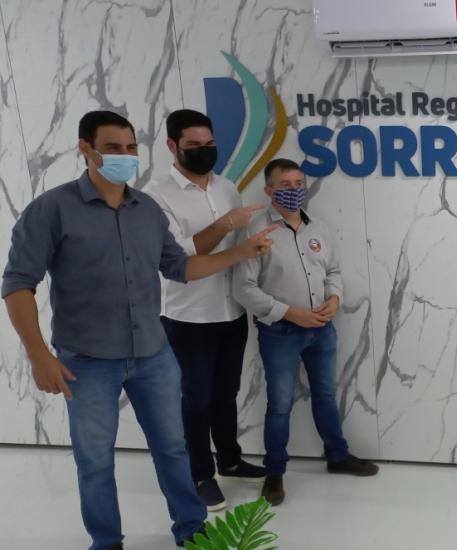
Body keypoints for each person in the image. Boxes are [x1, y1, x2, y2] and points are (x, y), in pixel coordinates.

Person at [1, 111, 276, 550]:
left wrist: (240, 252)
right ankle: (106, 541)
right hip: (86, 361)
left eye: (131, 148)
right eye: (113, 148)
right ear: (85, 149)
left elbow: (180, 267)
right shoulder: (52, 210)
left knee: (173, 449)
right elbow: (18, 283)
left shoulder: (145, 209)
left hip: (153, 354)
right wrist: (38, 356)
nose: (125, 156)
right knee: (95, 462)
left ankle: (191, 528)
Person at [233, 158, 378, 506]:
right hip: (280, 332)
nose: (295, 190)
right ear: (269, 190)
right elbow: (243, 288)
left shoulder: (319, 228)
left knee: (326, 395)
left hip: (322, 329)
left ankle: (337, 456)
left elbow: (334, 271)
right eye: (285, 185)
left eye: (299, 184)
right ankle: (275, 472)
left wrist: (334, 298)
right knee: (280, 405)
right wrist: (291, 314)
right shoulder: (256, 231)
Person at [146, 109, 267, 512]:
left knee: (226, 393)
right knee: (195, 399)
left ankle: (229, 459)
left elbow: (242, 252)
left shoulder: (227, 187)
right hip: (188, 317)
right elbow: (179, 256)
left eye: (209, 143)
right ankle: (200, 474)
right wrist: (226, 225)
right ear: (172, 146)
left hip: (231, 310)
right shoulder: (156, 195)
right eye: (194, 145)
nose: (204, 151)